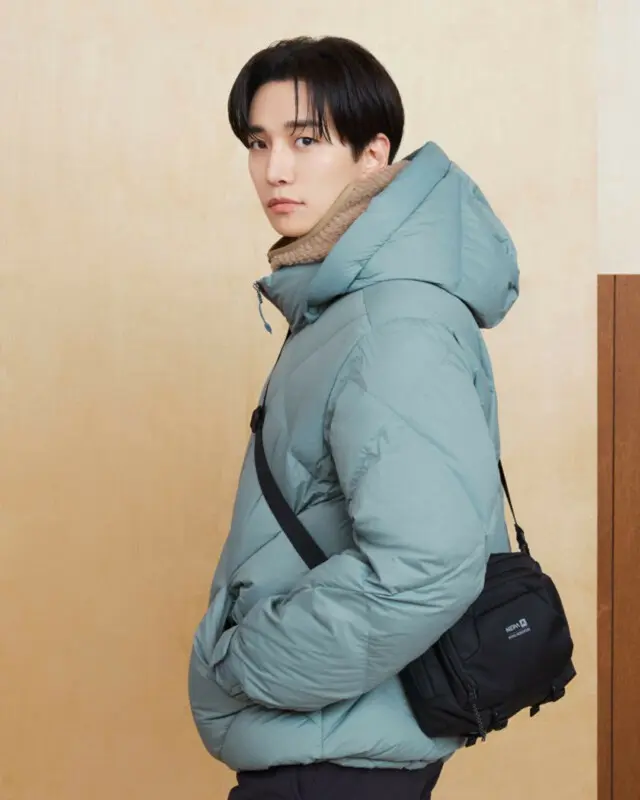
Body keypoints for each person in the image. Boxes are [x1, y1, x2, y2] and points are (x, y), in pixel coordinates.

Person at [189, 35, 519, 799]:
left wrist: (248, 661)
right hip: (336, 744)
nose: (276, 170)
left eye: (306, 140)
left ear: (374, 155)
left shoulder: (389, 321)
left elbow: (427, 566)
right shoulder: (347, 306)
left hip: (335, 759)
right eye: (259, 143)